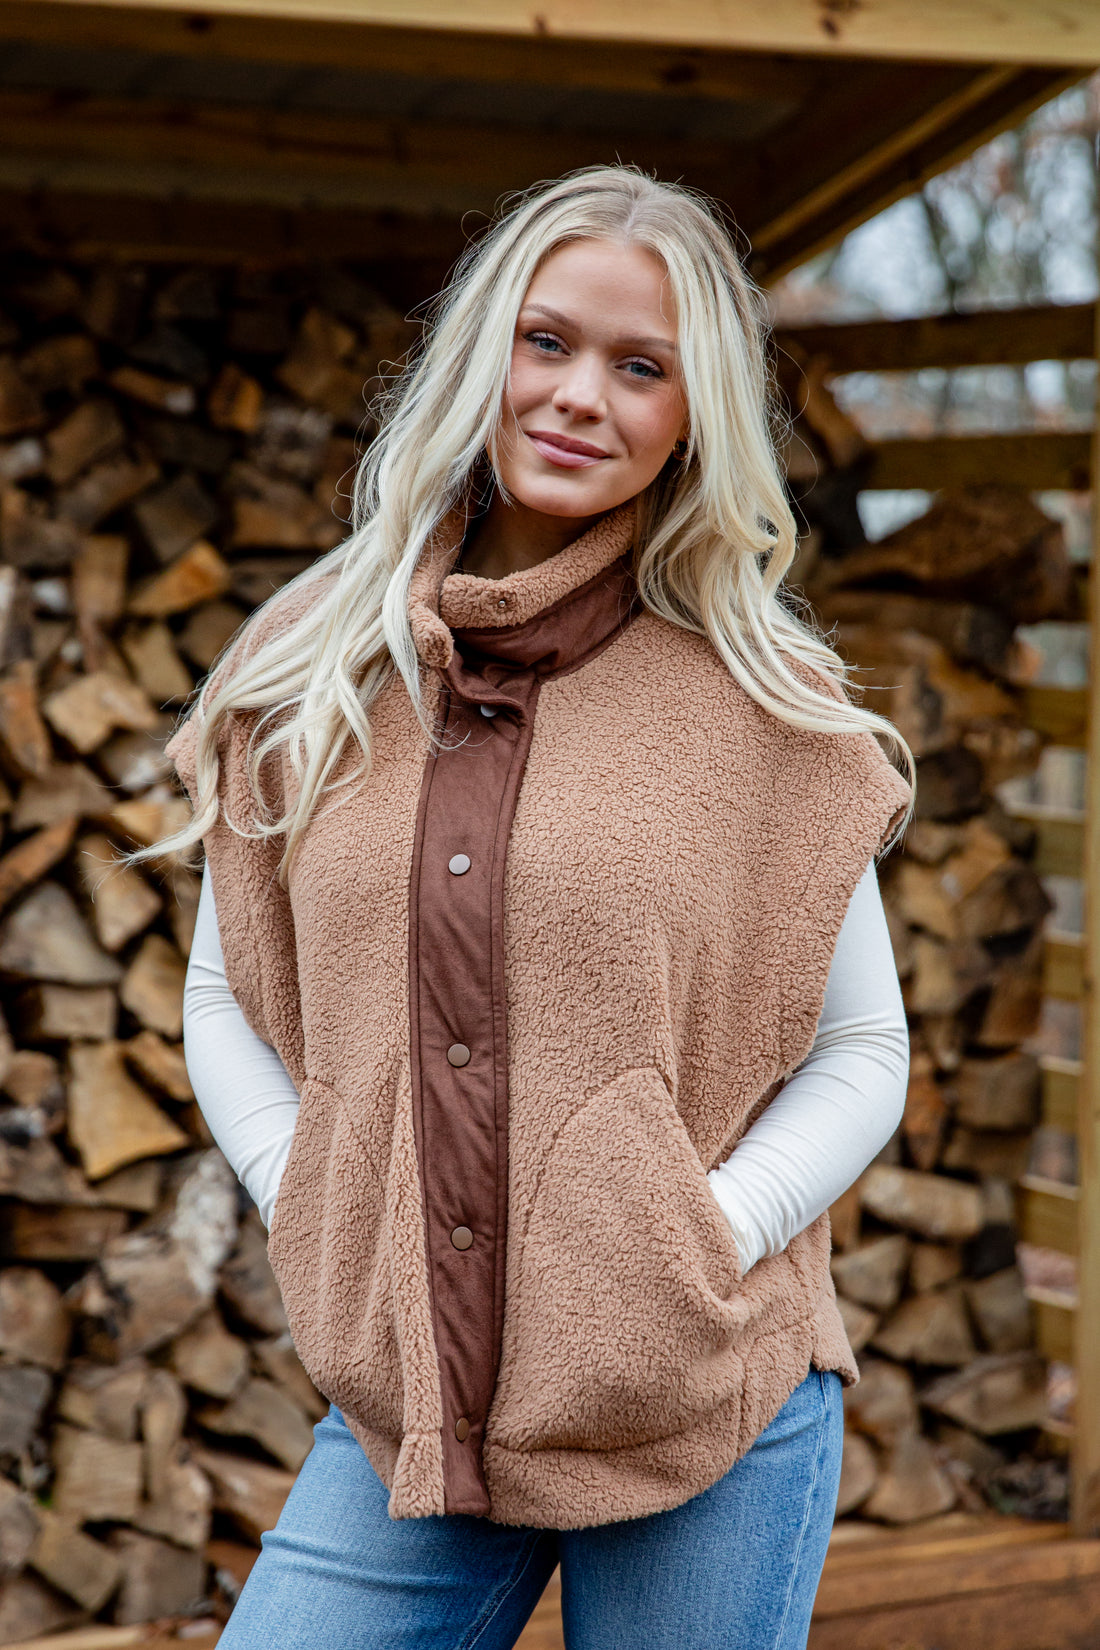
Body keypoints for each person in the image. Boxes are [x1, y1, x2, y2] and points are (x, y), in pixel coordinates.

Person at [145, 164, 916, 1649]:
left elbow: (861, 1050)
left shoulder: (767, 706)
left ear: (698, 418)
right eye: (547, 341)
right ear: (481, 349)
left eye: (642, 368)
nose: (579, 396)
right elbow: (222, 998)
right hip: (412, 1425)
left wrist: (696, 1237)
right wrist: (314, 1196)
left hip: (701, 1405)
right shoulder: (309, 662)